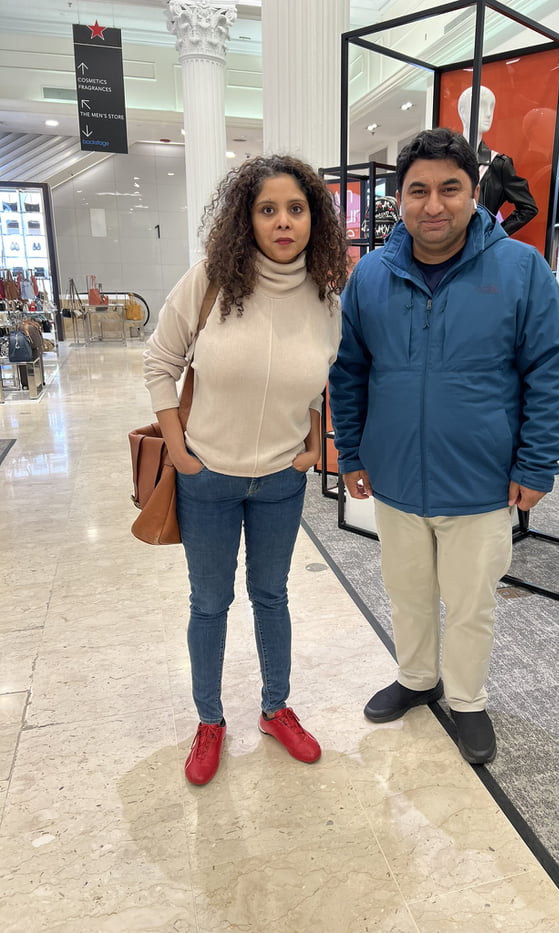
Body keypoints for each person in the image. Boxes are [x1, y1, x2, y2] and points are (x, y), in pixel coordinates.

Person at [329, 128, 559, 765]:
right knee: (407, 590)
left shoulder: (520, 269)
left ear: (475, 194)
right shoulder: (372, 276)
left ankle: (467, 700)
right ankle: (418, 678)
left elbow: (553, 367)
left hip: (482, 477)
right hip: (395, 477)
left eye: (450, 189)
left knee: (470, 603)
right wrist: (351, 453)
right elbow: (349, 370)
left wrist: (537, 462)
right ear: (399, 199)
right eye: (418, 191)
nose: (432, 205)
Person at [144, 154, 348, 785]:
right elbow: (159, 361)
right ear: (247, 219)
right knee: (210, 603)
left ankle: (275, 707)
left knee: (272, 595)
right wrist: (179, 451)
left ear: (313, 218)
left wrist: (313, 446)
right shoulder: (211, 281)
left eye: (296, 208)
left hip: (281, 483)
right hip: (208, 476)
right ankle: (210, 721)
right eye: (268, 210)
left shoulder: (323, 298)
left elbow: (321, 382)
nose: (283, 221)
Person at [457, 85, 538, 235]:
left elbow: (528, 208)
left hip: (480, 249)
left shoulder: (498, 164)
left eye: (491, 107)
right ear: (463, 111)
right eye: (482, 106)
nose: (488, 114)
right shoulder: (445, 159)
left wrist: (495, 234)